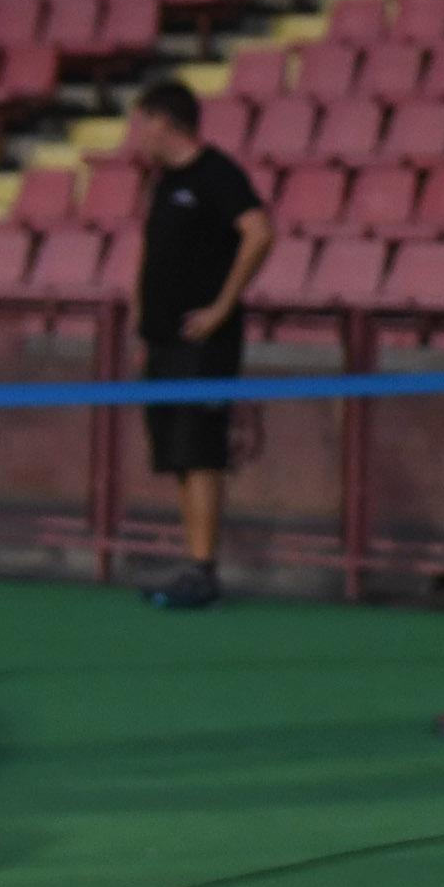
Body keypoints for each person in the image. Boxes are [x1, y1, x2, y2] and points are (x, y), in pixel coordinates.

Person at [123, 78, 272, 610]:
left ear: (165, 122)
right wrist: (142, 323)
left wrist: (221, 307)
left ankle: (204, 568)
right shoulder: (163, 182)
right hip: (164, 341)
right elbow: (152, 255)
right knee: (177, 455)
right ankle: (192, 562)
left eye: (143, 122)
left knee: (201, 451)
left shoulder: (217, 174)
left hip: (203, 343)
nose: (138, 134)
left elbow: (259, 232)